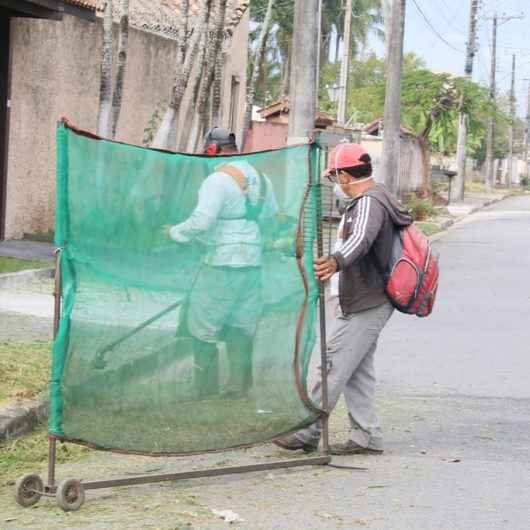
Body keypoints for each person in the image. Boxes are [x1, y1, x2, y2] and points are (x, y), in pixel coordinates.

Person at [275, 143, 412, 455]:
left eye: (335, 178)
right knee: (356, 371)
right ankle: (367, 436)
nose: (335, 185)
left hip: (365, 300)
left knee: (332, 365)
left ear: (347, 176)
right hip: (369, 298)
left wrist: (336, 260)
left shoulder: (369, 202)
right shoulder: (379, 197)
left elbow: (361, 238)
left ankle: (306, 432)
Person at [165, 127, 278, 400]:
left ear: (212, 150)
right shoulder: (262, 178)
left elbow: (202, 221)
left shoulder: (217, 180)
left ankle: (204, 388)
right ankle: (239, 387)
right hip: (252, 262)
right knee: (241, 322)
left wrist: (174, 233)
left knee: (202, 322)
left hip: (221, 262)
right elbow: (271, 215)